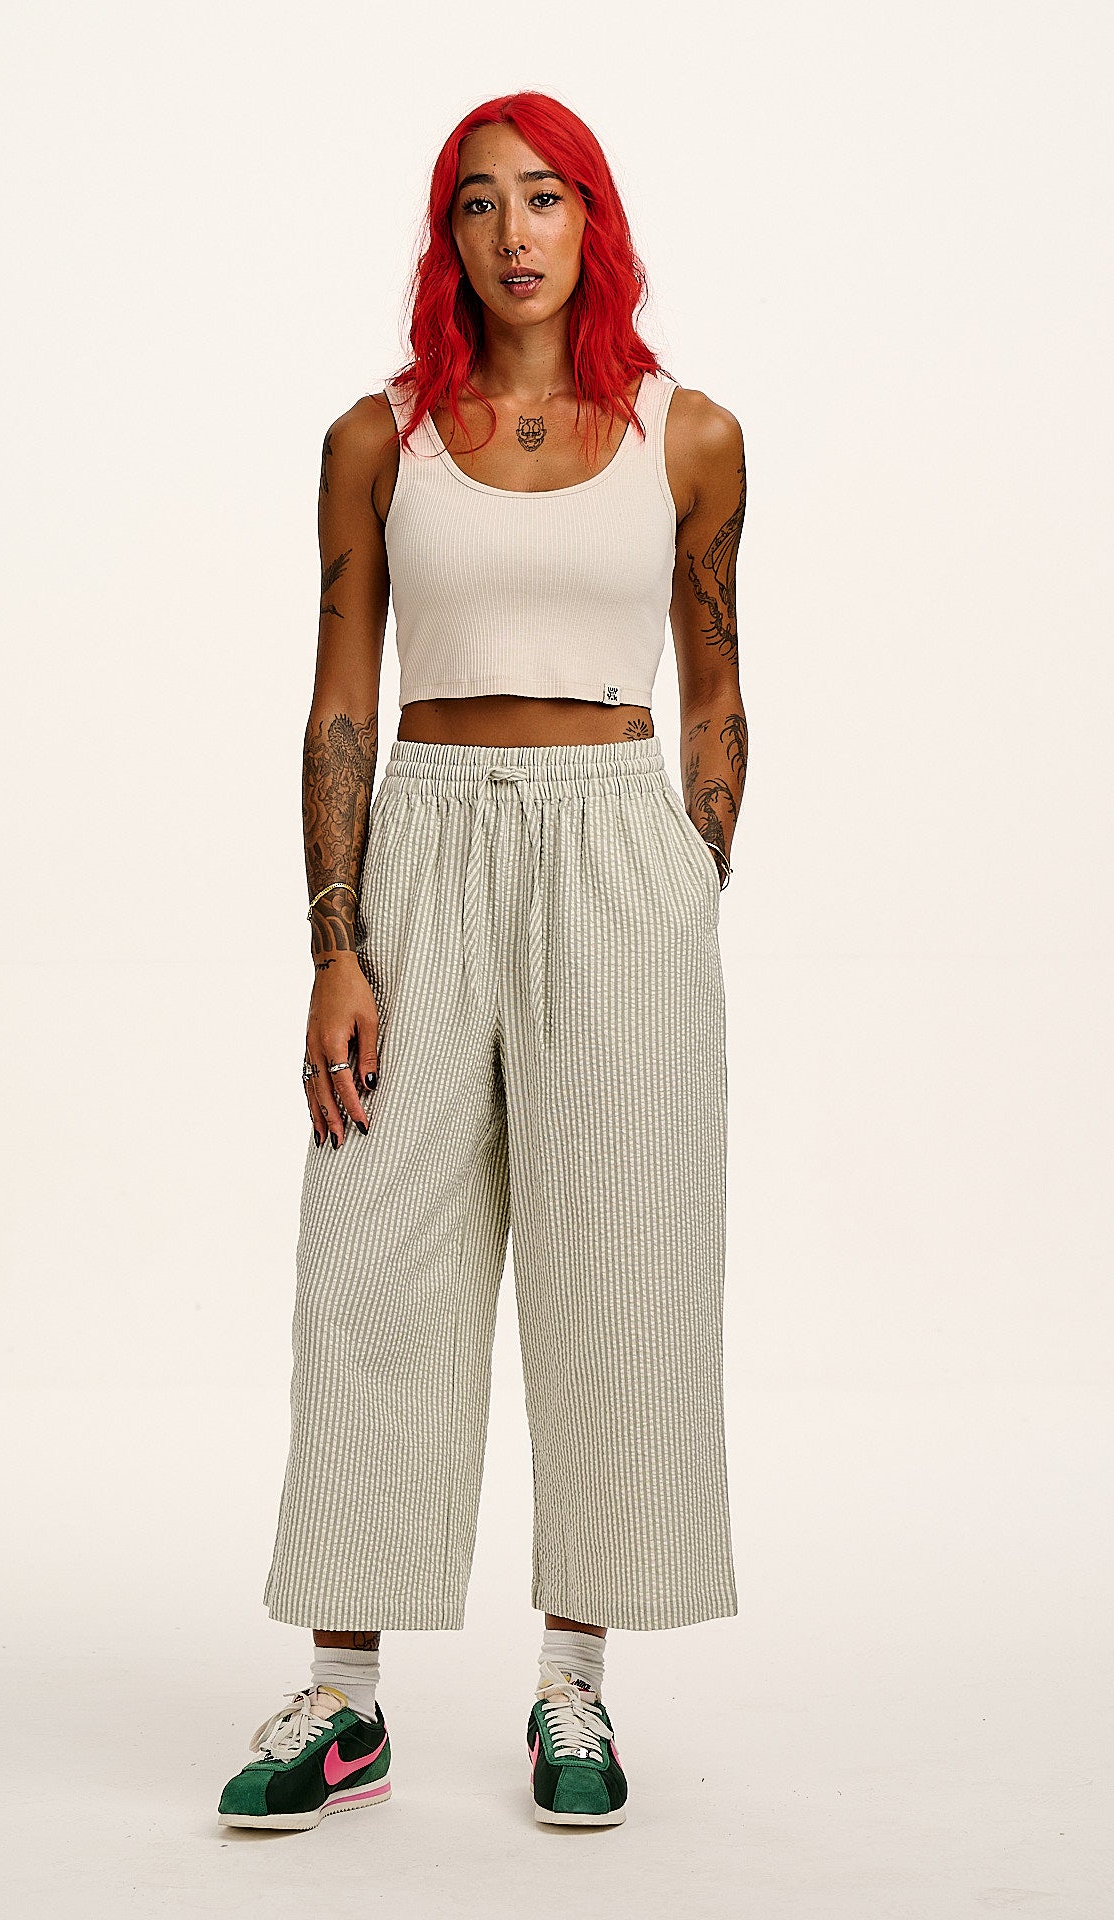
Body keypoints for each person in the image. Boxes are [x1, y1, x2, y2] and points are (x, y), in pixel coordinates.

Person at [218, 89, 747, 1835]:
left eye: (545, 197)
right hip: (427, 848)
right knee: (373, 1264)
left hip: (615, 853)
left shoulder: (691, 437)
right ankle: (344, 1699)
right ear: (444, 237)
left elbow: (716, 679)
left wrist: (689, 875)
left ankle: (573, 1682)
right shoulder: (379, 440)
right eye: (475, 203)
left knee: (616, 1271)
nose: (512, 232)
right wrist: (336, 943)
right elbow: (340, 699)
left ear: (595, 221)